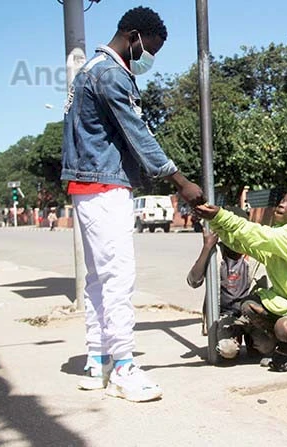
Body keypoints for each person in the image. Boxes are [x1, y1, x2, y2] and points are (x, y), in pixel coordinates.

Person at [61, 6, 204, 402]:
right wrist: (179, 180)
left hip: (86, 185)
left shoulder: (89, 70)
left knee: (97, 280)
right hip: (105, 186)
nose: (148, 57)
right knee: (118, 277)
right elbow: (136, 131)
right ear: (134, 35)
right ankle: (124, 367)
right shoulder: (110, 74)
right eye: (149, 48)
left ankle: (98, 361)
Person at [194, 191, 287, 372]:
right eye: (282, 201)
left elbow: (257, 233)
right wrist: (217, 224)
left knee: (284, 329)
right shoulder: (279, 238)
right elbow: (245, 244)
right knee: (249, 306)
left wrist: (221, 215)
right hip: (286, 303)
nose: (282, 205)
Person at [187, 206, 265, 360]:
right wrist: (207, 247)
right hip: (225, 315)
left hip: (250, 315)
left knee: (264, 348)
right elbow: (193, 281)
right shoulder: (216, 253)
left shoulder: (254, 254)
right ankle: (233, 337)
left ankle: (251, 339)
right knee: (227, 351)